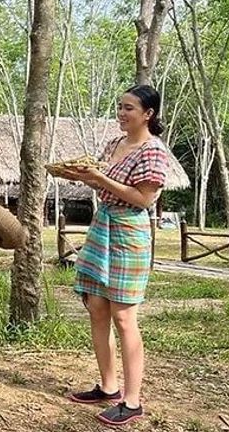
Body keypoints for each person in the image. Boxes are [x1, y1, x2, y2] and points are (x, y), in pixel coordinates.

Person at [61, 84, 169, 426]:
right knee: (96, 307)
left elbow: (143, 200)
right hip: (102, 226)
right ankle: (109, 387)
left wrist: (99, 179)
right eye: (120, 107)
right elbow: (103, 182)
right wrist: (82, 176)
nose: (121, 114)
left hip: (128, 233)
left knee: (124, 317)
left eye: (129, 109)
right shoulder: (114, 144)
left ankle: (133, 400)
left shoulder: (152, 151)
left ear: (148, 114)